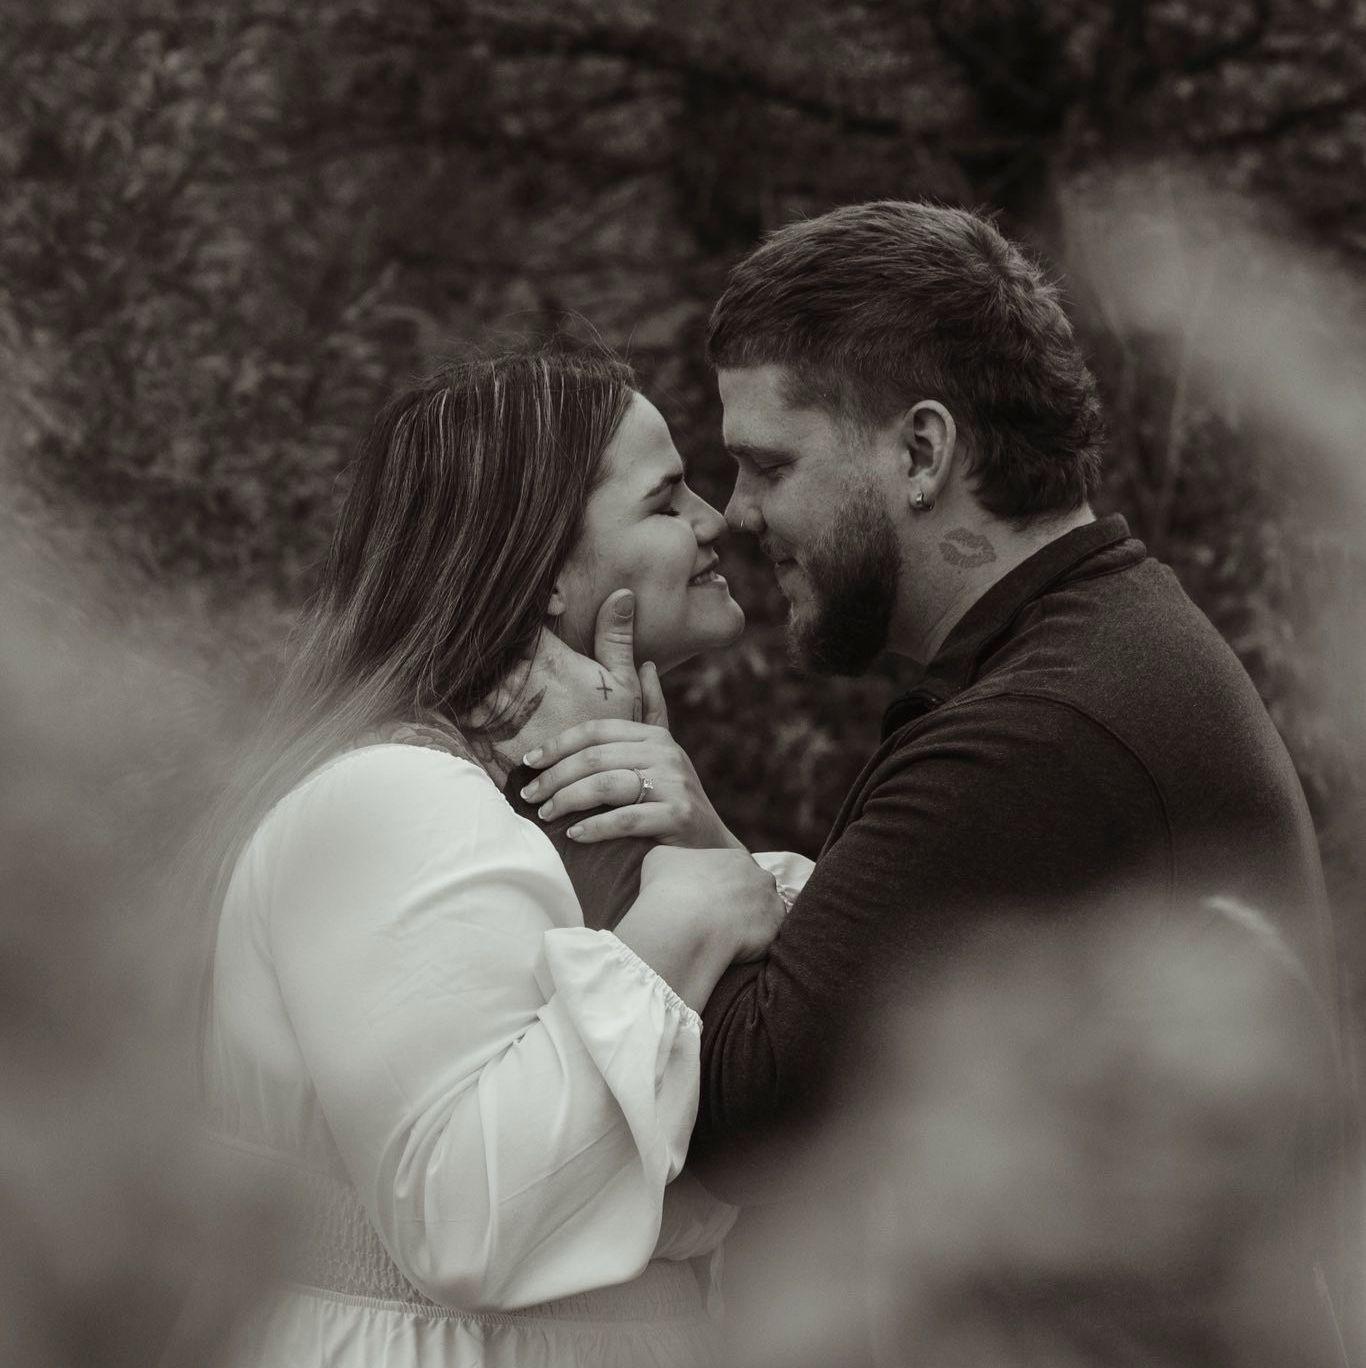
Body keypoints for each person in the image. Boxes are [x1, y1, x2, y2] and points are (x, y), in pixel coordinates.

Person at [520, 202, 1350, 1337]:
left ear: (920, 452)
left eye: (769, 465)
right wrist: (706, 842)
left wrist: (629, 822)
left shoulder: (1036, 735)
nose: (738, 514)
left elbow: (740, 1120)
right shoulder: (1093, 653)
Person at [201, 344, 791, 1368]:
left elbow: (785, 1098)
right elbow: (467, 1216)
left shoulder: (513, 814)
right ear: (545, 571)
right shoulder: (391, 801)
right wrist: (691, 910)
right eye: (665, 499)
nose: (715, 520)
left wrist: (690, 848)